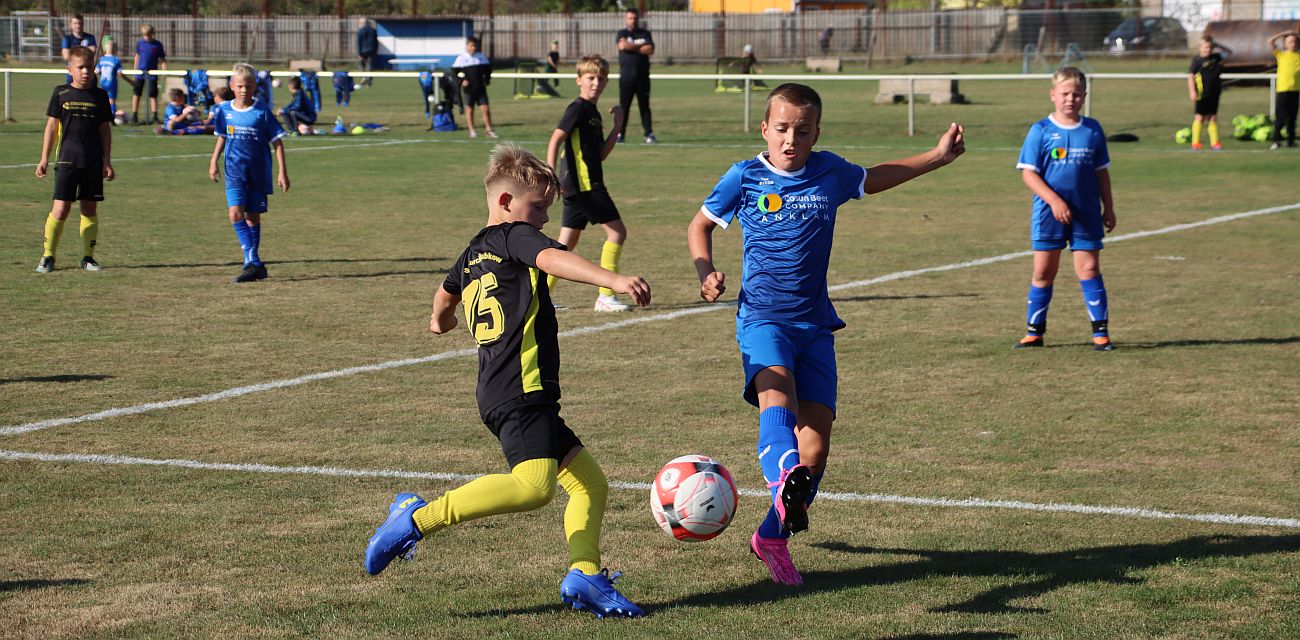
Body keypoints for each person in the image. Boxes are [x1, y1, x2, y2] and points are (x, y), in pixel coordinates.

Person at [685, 83, 965, 586]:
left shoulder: (830, 172)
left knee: (816, 449)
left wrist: (937, 158)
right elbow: (699, 226)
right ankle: (783, 478)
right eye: (783, 128)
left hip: (815, 325)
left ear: (817, 133)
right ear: (765, 128)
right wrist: (706, 270)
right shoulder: (744, 177)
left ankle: (771, 535)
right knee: (779, 401)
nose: (792, 138)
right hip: (763, 319)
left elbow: (876, 177)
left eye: (804, 130)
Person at [363, 143, 651, 619]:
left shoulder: (473, 251)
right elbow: (554, 261)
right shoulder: (517, 236)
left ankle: (586, 575)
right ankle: (416, 519)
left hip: (504, 388)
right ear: (505, 203)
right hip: (520, 386)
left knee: (588, 485)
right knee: (536, 487)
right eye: (537, 207)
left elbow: (444, 294)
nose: (541, 219)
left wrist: (441, 319)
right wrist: (613, 281)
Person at [1014, 67, 1116, 351]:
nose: (1070, 99)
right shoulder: (1041, 130)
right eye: (1065, 94)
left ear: (1084, 96)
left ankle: (1101, 334)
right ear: (1053, 95)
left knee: (1090, 268)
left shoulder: (1092, 129)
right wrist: (1055, 201)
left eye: (1077, 94)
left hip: (1086, 212)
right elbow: (1029, 174)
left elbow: (1101, 173)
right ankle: (1034, 332)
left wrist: (1109, 207)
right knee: (1044, 272)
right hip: (1049, 214)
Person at [545, 55, 631, 312]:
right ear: (579, 80)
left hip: (582, 184)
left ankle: (540, 296)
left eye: (601, 78)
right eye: (591, 78)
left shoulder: (592, 113)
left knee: (564, 246)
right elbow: (555, 139)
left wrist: (617, 127)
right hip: (584, 185)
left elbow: (600, 154)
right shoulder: (578, 108)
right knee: (617, 232)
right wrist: (551, 174)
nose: (596, 83)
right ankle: (606, 295)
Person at [34, 46, 114, 274]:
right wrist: (43, 158)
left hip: (93, 163)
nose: (85, 72)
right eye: (80, 67)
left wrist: (107, 161)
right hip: (67, 161)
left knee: (89, 210)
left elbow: (105, 131)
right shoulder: (61, 93)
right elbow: (51, 127)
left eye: (89, 67)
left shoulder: (100, 95)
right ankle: (48, 256)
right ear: (70, 69)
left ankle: (88, 257)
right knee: (60, 210)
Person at [208, 63, 289, 284]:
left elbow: (277, 142)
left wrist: (282, 172)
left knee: (253, 217)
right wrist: (213, 160)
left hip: (258, 173)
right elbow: (222, 137)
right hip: (234, 172)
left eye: (249, 86)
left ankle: (252, 265)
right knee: (235, 213)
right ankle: (253, 258)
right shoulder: (224, 110)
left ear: (255, 88)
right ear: (232, 86)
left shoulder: (261, 111)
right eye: (241, 86)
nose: (245, 90)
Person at [616, 8, 656, 144]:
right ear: (626, 19)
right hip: (626, 77)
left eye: (634, 18)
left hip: (643, 77)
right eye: (630, 18)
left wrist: (631, 46)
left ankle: (649, 134)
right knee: (624, 107)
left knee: (644, 106)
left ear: (638, 19)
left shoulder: (645, 33)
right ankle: (620, 133)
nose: (632, 20)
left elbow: (650, 49)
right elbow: (622, 46)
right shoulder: (622, 33)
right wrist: (639, 47)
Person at [1187, 35, 1232, 151]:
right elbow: (1190, 76)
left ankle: (1215, 143)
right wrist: (1192, 92)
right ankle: (1195, 143)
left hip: (1215, 93)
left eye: (1210, 47)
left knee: (1212, 117)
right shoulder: (1197, 61)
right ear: (1200, 47)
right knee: (1199, 117)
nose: (1207, 50)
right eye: (1205, 47)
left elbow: (1229, 52)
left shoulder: (1216, 57)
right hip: (1202, 93)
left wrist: (1216, 44)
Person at [452, 37, 497, 139]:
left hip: (480, 88)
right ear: (467, 46)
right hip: (469, 89)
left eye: (475, 46)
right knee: (469, 109)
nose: (473, 48)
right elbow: (454, 73)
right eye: (471, 46)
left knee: (485, 108)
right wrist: (462, 81)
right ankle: (472, 131)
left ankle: (489, 130)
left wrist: (487, 80)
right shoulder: (461, 58)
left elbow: (488, 70)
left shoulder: (481, 57)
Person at [1266, 30, 1299, 150]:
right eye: (1290, 42)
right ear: (1285, 44)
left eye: (1294, 41)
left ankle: (1291, 141)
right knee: (1280, 118)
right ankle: (1276, 140)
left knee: (1292, 118)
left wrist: (1296, 35)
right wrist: (1284, 33)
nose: (1293, 44)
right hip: (1283, 90)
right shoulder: (1281, 55)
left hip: (1295, 91)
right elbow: (1270, 40)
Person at [132, 24, 167, 125]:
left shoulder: (157, 45)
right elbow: (137, 56)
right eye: (144, 35)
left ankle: (155, 115)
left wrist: (164, 71)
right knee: (137, 93)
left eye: (148, 35)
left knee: (153, 94)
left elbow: (162, 59)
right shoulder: (140, 43)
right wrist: (135, 69)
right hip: (140, 73)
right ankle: (134, 115)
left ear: (152, 34)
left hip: (152, 73)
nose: (146, 37)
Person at [60, 14, 97, 85]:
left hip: (89, 75)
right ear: (71, 24)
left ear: (83, 24)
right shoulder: (67, 39)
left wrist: (74, 50)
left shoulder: (90, 37)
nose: (78, 25)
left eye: (79, 23)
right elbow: (66, 56)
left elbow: (92, 52)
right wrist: (84, 50)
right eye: (75, 23)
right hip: (73, 77)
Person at [96, 36, 127, 119]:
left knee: (103, 100)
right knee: (112, 100)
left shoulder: (101, 59)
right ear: (115, 49)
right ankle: (112, 116)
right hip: (112, 83)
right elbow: (119, 73)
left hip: (103, 82)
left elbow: (97, 71)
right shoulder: (116, 60)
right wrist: (130, 81)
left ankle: (103, 115)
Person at [356, 18, 378, 88]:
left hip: (363, 51)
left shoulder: (360, 31)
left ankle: (363, 76)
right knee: (370, 66)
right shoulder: (373, 30)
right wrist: (375, 51)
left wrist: (359, 53)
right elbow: (376, 42)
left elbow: (359, 42)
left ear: (362, 23)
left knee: (360, 64)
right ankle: (369, 82)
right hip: (371, 51)